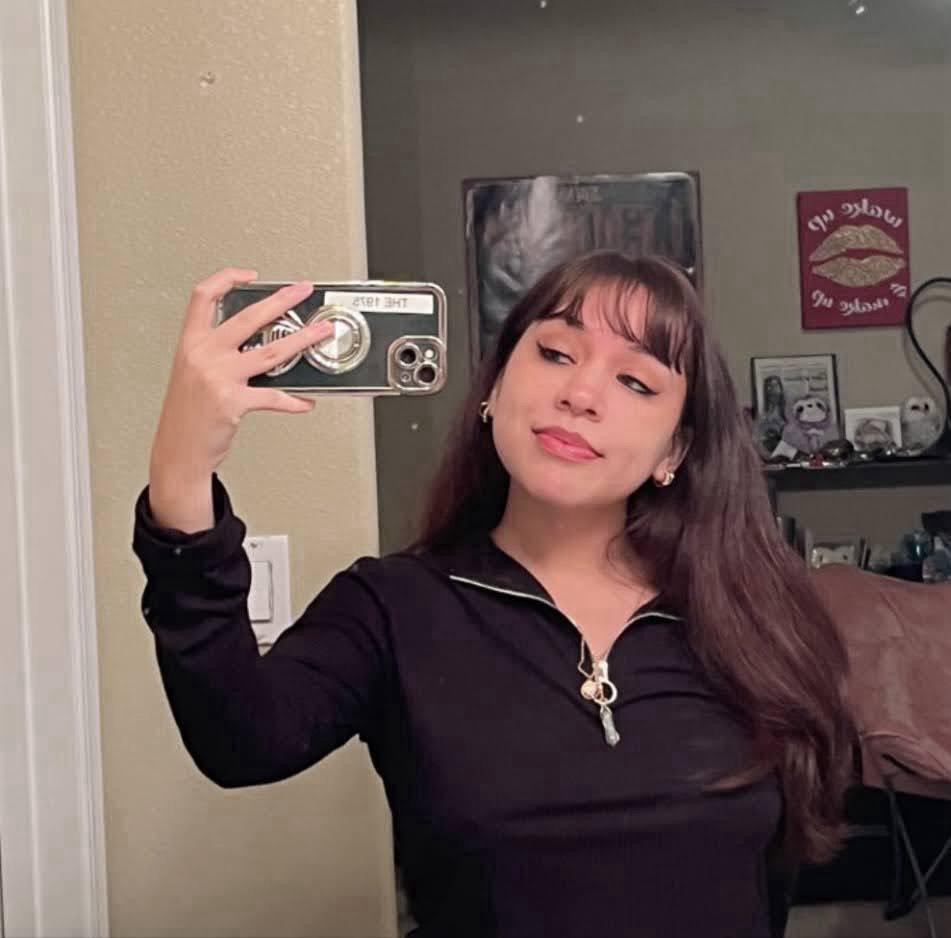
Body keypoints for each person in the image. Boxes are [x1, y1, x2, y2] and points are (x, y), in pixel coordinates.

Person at [134, 251, 856, 938]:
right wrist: (180, 473)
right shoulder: (392, 606)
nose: (580, 395)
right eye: (556, 353)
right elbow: (240, 742)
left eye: (636, 383)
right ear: (495, 386)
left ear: (675, 450)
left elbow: (771, 883)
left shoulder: (747, 621)